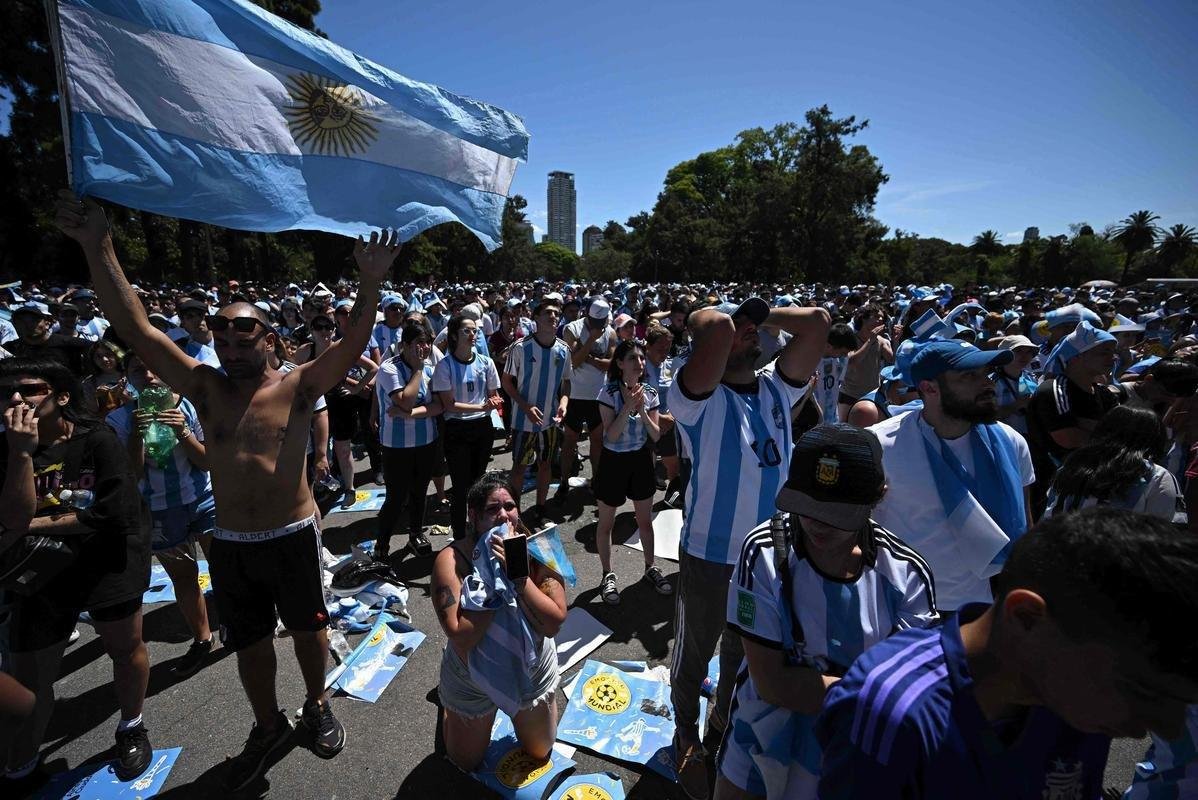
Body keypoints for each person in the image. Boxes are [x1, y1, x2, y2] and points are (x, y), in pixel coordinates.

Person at [55, 192, 399, 790]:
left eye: (246, 339)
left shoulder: (297, 387)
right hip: (233, 541)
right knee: (251, 645)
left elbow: (350, 345)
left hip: (292, 535)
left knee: (311, 631)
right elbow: (135, 326)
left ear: (268, 339)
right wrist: (98, 245)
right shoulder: (204, 386)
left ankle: (317, 704)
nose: (233, 348)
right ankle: (267, 723)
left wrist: (369, 284)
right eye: (224, 338)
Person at [815, 508, 1198, 799]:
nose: (1141, 729)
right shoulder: (893, 711)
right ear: (1027, 617)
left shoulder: (1075, 704)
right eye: (1135, 689)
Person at [715, 423, 938, 800]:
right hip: (762, 735)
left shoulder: (908, 577)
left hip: (854, 749)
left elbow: (908, 698)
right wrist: (872, 692)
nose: (817, 523)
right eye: (806, 507)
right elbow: (770, 684)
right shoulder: (764, 554)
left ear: (878, 496)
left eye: (837, 513)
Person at [667, 297, 828, 800]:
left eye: (753, 329)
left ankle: (721, 724)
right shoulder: (694, 397)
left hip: (768, 557)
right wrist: (723, 317)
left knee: (743, 650)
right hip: (710, 554)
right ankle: (686, 733)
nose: (749, 333)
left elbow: (819, 323)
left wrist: (759, 317)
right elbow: (712, 327)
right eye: (741, 329)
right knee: (695, 651)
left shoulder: (778, 390)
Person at [0, 358, 151, 793]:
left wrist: (30, 526)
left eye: (30, 390)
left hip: (105, 562)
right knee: (31, 674)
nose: (16, 400)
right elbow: (12, 513)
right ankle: (22, 764)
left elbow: (112, 513)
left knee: (125, 648)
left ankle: (131, 725)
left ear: (62, 396)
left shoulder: (97, 440)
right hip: (39, 573)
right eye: (6, 392)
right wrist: (19, 453)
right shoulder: (9, 446)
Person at [868, 340, 1034, 613]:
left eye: (986, 374)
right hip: (908, 611)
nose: (987, 385)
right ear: (929, 388)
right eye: (970, 376)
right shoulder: (880, 445)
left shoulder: (1012, 442)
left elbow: (1025, 523)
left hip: (988, 608)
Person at [430, 472, 567, 771]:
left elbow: (554, 622)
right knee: (464, 761)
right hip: (472, 673)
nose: (503, 514)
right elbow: (461, 635)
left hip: (530, 667)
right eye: (493, 509)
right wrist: (493, 577)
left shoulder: (540, 547)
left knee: (540, 751)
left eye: (510, 506)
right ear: (474, 516)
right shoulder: (451, 559)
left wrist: (518, 578)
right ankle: (447, 705)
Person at [107, 352, 218, 678]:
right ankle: (202, 638)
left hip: (203, 499)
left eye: (155, 367)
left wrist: (182, 431)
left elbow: (207, 462)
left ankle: (237, 623)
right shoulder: (120, 419)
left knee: (223, 565)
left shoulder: (190, 406)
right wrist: (137, 437)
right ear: (128, 378)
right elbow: (131, 475)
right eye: (139, 370)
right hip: (158, 509)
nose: (149, 375)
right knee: (184, 576)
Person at [593, 339, 671, 604]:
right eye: (633, 358)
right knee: (607, 523)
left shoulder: (650, 392)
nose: (639, 363)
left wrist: (642, 410)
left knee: (645, 521)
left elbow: (657, 433)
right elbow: (611, 436)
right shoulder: (608, 392)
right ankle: (607, 573)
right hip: (613, 461)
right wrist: (627, 408)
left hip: (639, 460)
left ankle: (650, 567)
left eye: (641, 358)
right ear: (619, 364)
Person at [1025, 321, 1124, 517]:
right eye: (1104, 352)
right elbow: (1068, 438)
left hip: (1093, 485)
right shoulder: (1054, 388)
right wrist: (1104, 432)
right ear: (1077, 357)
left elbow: (1122, 432)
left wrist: (1085, 426)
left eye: (1113, 352)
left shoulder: (1104, 393)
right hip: (1053, 489)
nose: (1112, 358)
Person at [1044, 405, 1186, 523]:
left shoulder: (1070, 468)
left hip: (1060, 551)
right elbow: (1166, 533)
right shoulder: (1157, 476)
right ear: (1156, 440)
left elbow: (1048, 518)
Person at [373, 322, 442, 559]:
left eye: (427, 343)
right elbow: (405, 400)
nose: (423, 348)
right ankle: (382, 544)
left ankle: (415, 534)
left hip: (426, 441)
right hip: (397, 445)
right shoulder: (389, 369)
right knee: (396, 497)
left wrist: (410, 414)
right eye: (418, 343)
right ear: (404, 345)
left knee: (420, 491)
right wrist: (418, 370)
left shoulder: (432, 369)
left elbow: (439, 406)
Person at [433, 313, 502, 539]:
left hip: (482, 428)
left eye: (475, 331)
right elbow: (449, 405)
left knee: (479, 484)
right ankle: (460, 535)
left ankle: (480, 530)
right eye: (467, 331)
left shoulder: (486, 362)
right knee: (461, 487)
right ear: (454, 335)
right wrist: (483, 406)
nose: (473, 334)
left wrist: (493, 402)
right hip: (457, 430)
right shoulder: (445, 366)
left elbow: (494, 394)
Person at [502, 298, 572, 520]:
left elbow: (567, 382)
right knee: (520, 467)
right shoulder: (521, 347)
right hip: (524, 420)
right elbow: (506, 382)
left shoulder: (563, 350)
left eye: (556, 313)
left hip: (550, 420)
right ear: (536, 318)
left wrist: (564, 403)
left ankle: (541, 508)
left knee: (545, 464)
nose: (553, 317)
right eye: (548, 313)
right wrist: (525, 406)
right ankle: (515, 512)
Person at [559, 298, 616, 502]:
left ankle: (597, 481)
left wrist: (588, 356)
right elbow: (572, 362)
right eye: (595, 323)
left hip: (597, 396)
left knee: (597, 441)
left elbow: (610, 364)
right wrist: (591, 340)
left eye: (602, 323)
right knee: (570, 441)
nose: (599, 327)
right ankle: (564, 481)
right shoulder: (571, 329)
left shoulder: (610, 331)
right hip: (574, 395)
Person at [6, 301, 91, 374]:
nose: (29, 325)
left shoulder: (72, 343)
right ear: (16, 327)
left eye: (34, 321)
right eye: (22, 322)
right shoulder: (10, 349)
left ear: (47, 323)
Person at [990, 334, 1039, 437]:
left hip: (1031, 438)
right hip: (1004, 438)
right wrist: (1016, 405)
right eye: (1018, 351)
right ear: (1004, 355)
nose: (1024, 356)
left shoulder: (1030, 378)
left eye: (1029, 352)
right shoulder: (991, 382)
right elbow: (987, 416)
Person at [813, 323, 858, 424]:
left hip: (832, 418)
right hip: (814, 418)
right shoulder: (812, 361)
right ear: (829, 346)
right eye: (842, 352)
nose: (845, 356)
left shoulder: (841, 360)